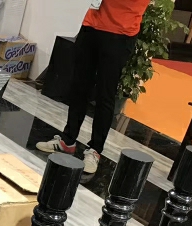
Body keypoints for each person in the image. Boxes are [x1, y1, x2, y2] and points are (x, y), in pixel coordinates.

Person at [36, 0, 151, 174]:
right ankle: (67, 140)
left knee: (105, 94)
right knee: (79, 87)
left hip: (121, 32)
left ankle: (95, 150)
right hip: (92, 25)